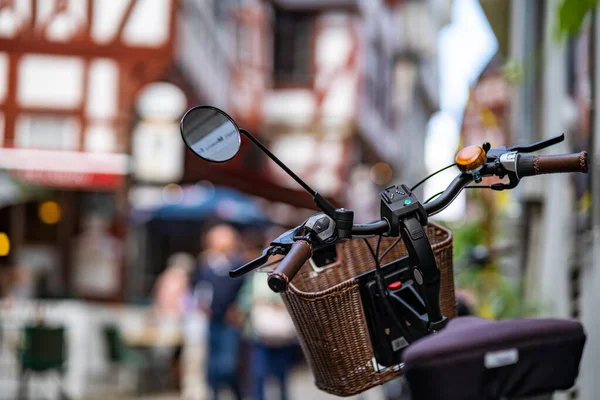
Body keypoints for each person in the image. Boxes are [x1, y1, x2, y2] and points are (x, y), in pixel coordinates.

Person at [191, 224, 246, 400]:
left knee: (227, 364)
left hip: (230, 321)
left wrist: (238, 307)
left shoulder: (238, 263)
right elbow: (198, 286)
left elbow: (244, 289)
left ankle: (236, 392)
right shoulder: (205, 264)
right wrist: (201, 303)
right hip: (211, 318)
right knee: (212, 364)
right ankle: (214, 394)